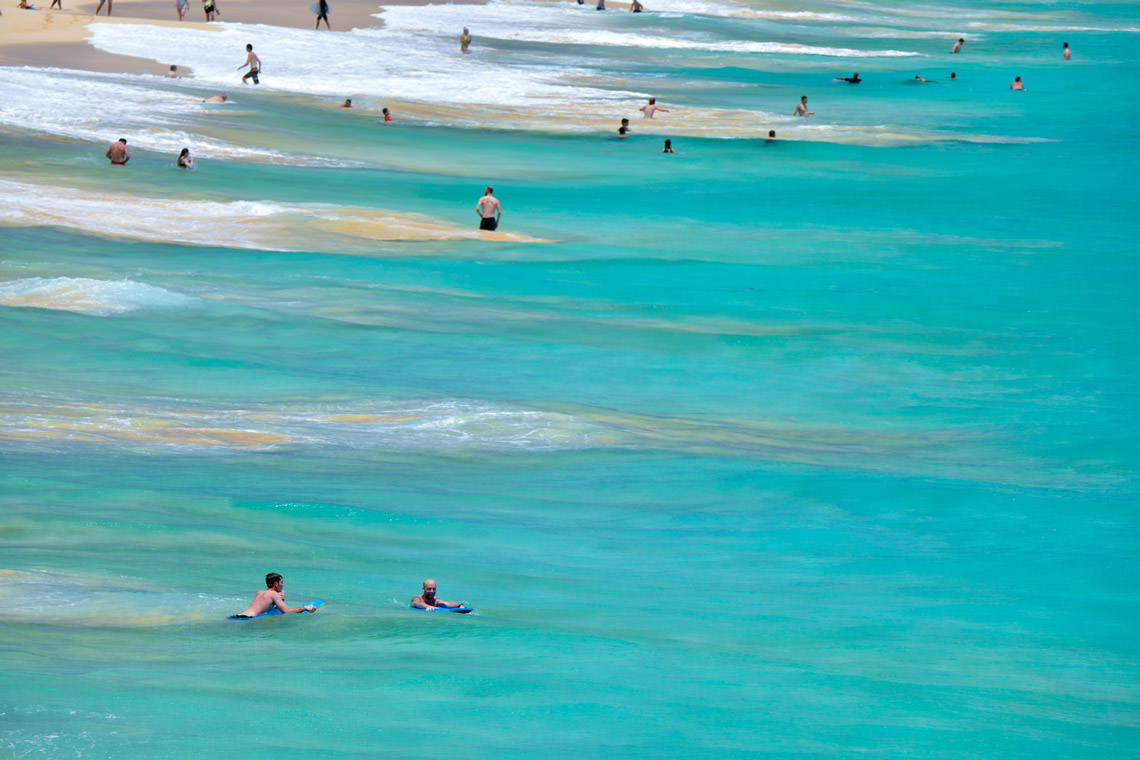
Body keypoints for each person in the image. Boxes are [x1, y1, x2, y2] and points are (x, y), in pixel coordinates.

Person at [233, 573, 317, 618]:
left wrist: (282, 599)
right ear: (276, 584)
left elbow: (270, 609)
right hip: (248, 620)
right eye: (281, 582)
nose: (283, 585)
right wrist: (305, 608)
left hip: (239, 616)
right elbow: (286, 612)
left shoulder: (260, 592)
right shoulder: (273, 594)